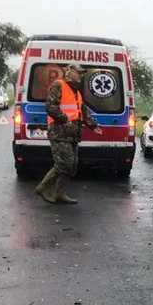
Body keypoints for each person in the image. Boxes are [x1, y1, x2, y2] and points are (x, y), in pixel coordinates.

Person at [34, 62, 102, 204]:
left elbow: (82, 111)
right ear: (68, 72)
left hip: (73, 134)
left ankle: (60, 194)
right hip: (59, 132)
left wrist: (92, 125)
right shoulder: (59, 85)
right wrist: (64, 119)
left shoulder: (76, 91)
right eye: (78, 73)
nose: (81, 76)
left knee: (72, 165)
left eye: (82, 73)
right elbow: (50, 106)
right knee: (64, 164)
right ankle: (42, 187)